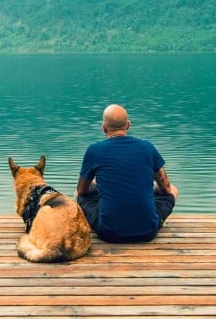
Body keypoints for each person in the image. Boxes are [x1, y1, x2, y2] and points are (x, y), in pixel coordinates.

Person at [76, 104, 179, 243]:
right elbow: (166, 188)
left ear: (104, 127)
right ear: (128, 125)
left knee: (79, 195)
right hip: (148, 231)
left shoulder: (94, 150)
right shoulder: (147, 147)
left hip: (108, 233)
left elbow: (81, 191)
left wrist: (97, 185)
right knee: (173, 189)